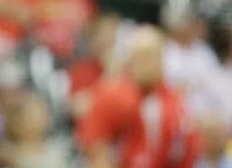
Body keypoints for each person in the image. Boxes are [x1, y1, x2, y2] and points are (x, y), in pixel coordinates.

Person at [76, 25, 200, 168]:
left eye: (148, 55)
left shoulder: (176, 103)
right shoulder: (112, 95)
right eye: (136, 55)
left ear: (161, 58)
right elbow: (95, 151)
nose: (141, 63)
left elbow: (188, 151)